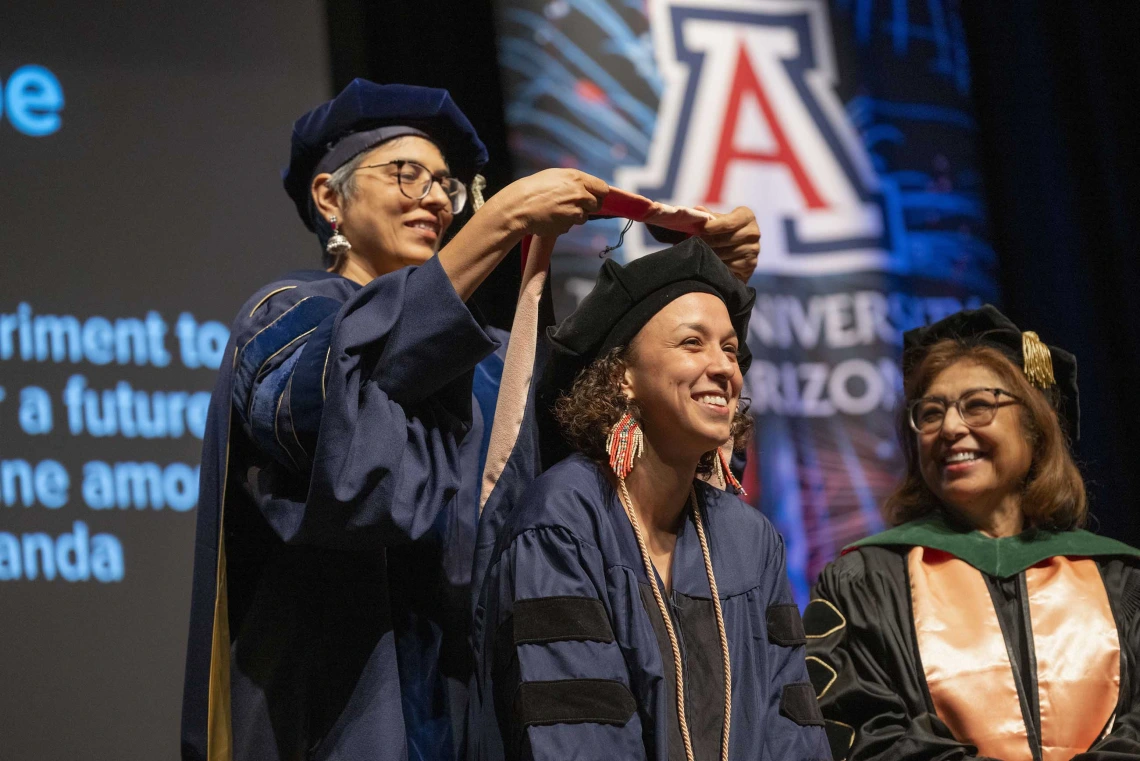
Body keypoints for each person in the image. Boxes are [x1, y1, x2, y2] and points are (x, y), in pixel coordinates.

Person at [181, 79, 762, 761]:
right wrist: (499, 224)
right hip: (333, 713)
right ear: (330, 197)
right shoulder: (284, 320)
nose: (434, 197)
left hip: (477, 715)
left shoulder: (488, 372)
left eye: (447, 185)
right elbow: (328, 427)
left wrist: (706, 289)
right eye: (407, 174)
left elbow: (619, 471)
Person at [470, 237, 830, 761]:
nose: (725, 367)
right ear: (623, 377)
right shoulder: (563, 523)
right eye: (692, 343)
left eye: (730, 348)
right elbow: (575, 738)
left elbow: (794, 733)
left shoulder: (750, 540)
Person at [804, 305, 1140, 761]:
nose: (950, 427)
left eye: (978, 405)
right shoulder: (866, 582)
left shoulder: (1119, 578)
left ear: (1035, 427)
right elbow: (859, 728)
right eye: (930, 412)